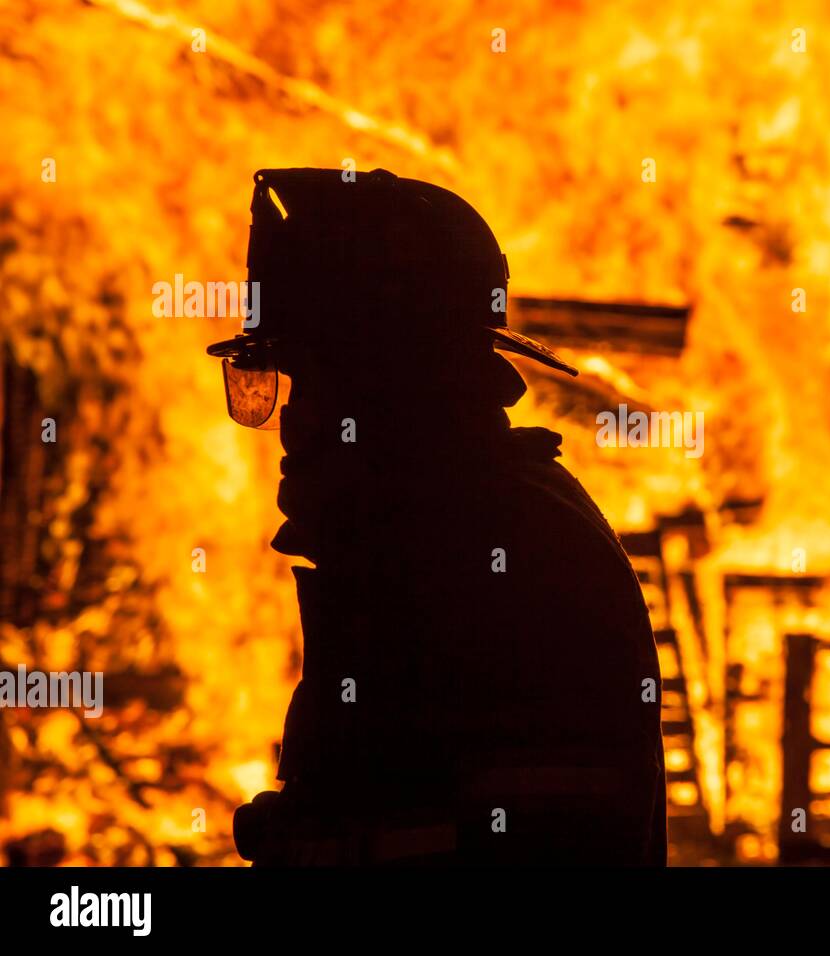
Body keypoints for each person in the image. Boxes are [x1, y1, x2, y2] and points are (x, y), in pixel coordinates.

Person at [209, 167, 666, 865]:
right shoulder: (431, 531)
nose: (293, 422)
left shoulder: (501, 550)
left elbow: (547, 843)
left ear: (391, 376)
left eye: (314, 379)